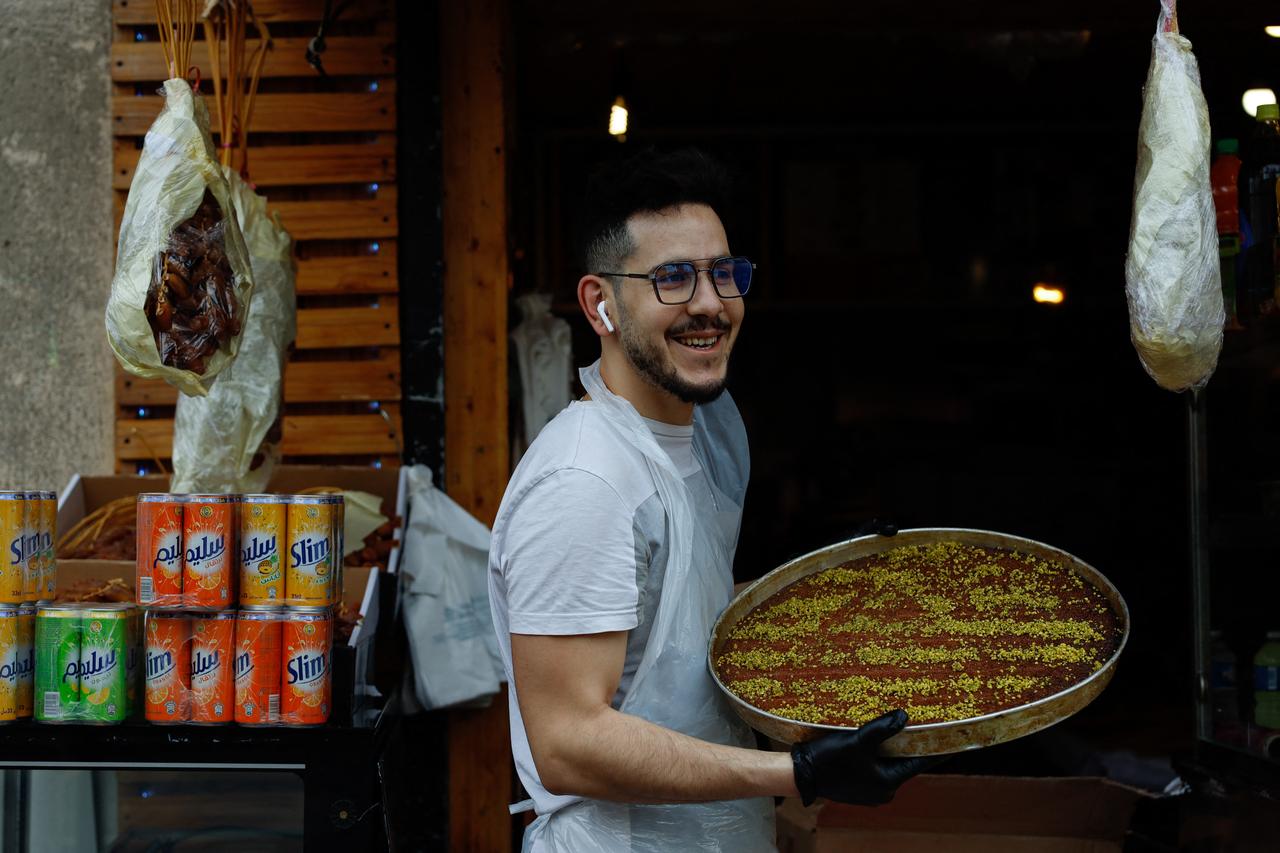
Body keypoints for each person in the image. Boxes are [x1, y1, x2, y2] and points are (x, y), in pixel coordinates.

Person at [487, 148, 936, 852]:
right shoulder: (584, 482)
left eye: (723, 272)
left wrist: (829, 589)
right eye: (671, 278)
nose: (709, 302)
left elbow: (676, 621)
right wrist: (798, 771)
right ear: (599, 303)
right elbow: (567, 739)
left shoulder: (710, 432)